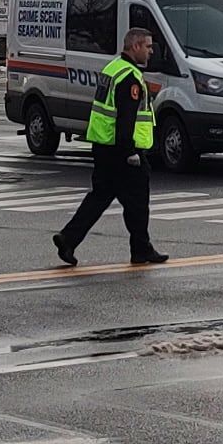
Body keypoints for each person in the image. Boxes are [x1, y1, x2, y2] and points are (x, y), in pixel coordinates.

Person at [54, 29, 167, 267]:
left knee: (100, 197)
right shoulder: (129, 77)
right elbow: (126, 118)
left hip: (104, 146)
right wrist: (130, 153)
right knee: (138, 201)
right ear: (135, 46)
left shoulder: (113, 68)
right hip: (123, 150)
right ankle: (140, 250)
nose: (151, 51)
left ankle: (68, 239)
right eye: (147, 46)